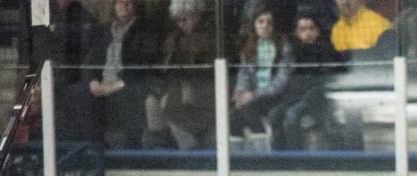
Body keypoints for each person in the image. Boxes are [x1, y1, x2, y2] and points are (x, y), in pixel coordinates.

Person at [80, 0, 159, 148]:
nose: (124, 4)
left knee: (130, 97)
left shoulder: (145, 30)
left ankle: (130, 154)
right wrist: (93, 81)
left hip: (130, 84)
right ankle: (95, 151)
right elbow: (91, 60)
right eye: (119, 1)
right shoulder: (103, 30)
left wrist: (115, 86)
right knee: (80, 94)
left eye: (129, 1)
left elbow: (143, 65)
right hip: (102, 84)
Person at [143, 0, 217, 150]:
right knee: (151, 102)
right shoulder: (173, 38)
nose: (180, 24)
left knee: (170, 102)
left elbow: (208, 70)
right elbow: (164, 67)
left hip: (200, 86)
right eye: (177, 20)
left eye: (184, 19)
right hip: (172, 84)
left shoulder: (209, 37)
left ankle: (188, 146)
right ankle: (160, 146)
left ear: (197, 16)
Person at [270, 11, 345, 150]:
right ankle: (279, 158)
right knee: (274, 115)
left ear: (318, 31)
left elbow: (333, 75)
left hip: (316, 96)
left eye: (311, 29)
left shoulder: (328, 49)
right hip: (294, 97)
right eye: (303, 30)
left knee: (292, 116)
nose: (308, 33)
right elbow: (283, 76)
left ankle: (297, 158)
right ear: (296, 33)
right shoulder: (291, 52)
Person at [231, 4, 294, 144]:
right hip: (253, 96)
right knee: (233, 116)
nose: (264, 26)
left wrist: (252, 95)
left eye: (269, 23)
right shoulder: (249, 46)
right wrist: (240, 92)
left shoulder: (284, 47)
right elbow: (243, 74)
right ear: (254, 24)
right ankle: (237, 161)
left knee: (248, 109)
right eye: (260, 21)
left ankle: (262, 155)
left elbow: (281, 82)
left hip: (275, 97)